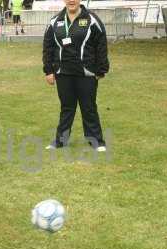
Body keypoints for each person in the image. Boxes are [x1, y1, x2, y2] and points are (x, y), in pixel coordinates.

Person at [42, 0, 109, 152]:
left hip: (86, 73)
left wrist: (101, 69)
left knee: (89, 107)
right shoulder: (55, 21)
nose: (71, 1)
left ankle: (97, 141)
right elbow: (48, 47)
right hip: (63, 73)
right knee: (66, 108)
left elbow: (101, 45)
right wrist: (48, 70)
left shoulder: (92, 19)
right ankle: (60, 141)